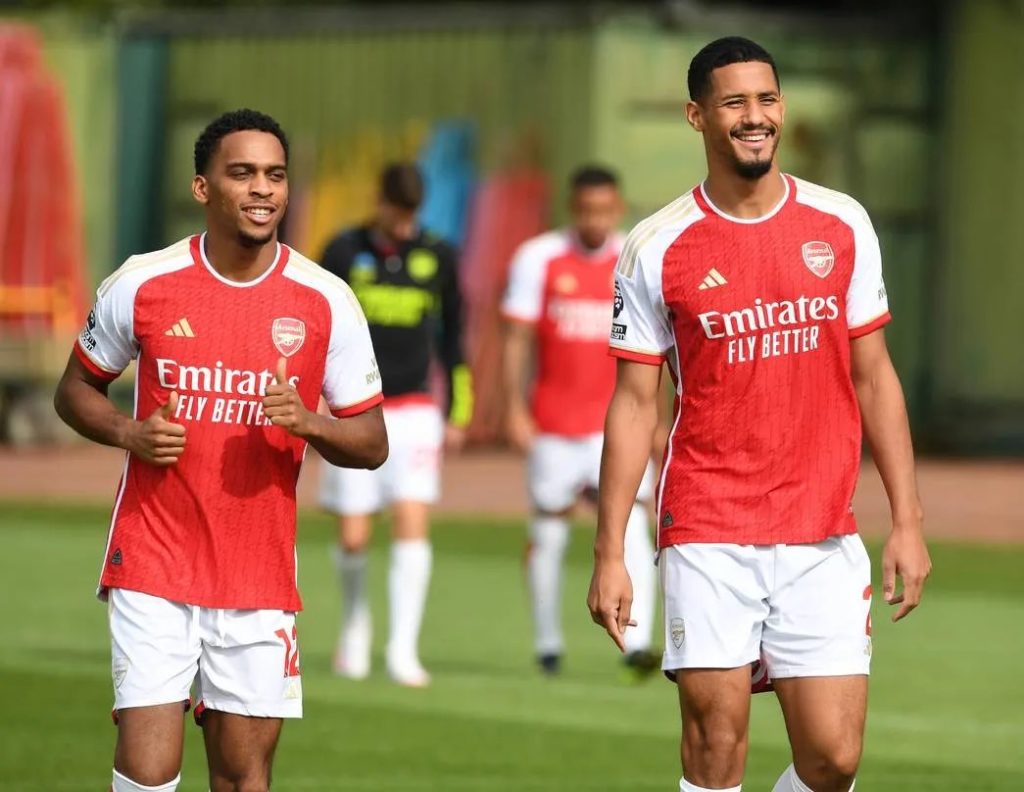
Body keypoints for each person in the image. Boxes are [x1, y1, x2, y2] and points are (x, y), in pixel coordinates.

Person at [586, 37, 932, 792]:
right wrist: (610, 548)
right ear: (696, 115)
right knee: (716, 751)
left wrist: (907, 518)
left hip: (822, 531)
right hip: (708, 529)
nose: (756, 117)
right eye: (735, 102)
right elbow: (634, 404)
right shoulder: (656, 246)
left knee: (833, 760)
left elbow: (875, 378)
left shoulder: (842, 223)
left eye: (767, 99)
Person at [53, 109, 387, 792]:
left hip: (258, 574)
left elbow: (373, 442)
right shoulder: (143, 282)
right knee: (147, 773)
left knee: (242, 778)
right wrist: (129, 433)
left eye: (275, 175)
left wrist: (311, 423)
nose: (262, 189)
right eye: (243, 173)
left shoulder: (327, 300)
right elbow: (75, 391)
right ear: (204, 187)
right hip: (153, 562)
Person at [501, 165, 659, 677]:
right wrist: (513, 406)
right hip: (554, 425)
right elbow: (517, 338)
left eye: (604, 210)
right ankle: (548, 643)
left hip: (617, 426)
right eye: (585, 209)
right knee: (549, 532)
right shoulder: (538, 258)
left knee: (634, 523)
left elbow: (665, 347)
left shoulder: (637, 257)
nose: (594, 219)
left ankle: (638, 644)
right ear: (574, 209)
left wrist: (662, 419)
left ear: (619, 208)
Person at [319, 162, 470, 687]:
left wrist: (459, 410)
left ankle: (403, 648)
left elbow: (455, 338)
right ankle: (355, 629)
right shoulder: (341, 252)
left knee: (411, 523)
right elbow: (318, 329)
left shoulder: (439, 256)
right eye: (395, 212)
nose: (403, 225)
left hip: (414, 412)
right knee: (355, 535)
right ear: (378, 202)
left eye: (411, 215)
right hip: (353, 411)